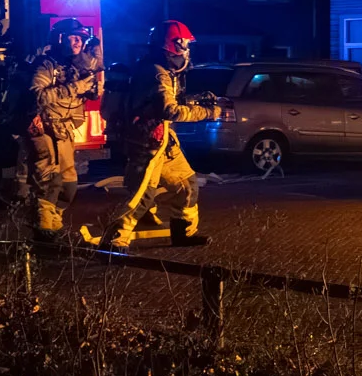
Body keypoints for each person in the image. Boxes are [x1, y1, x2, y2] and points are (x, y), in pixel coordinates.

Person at [105, 20, 226, 249]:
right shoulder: (157, 73)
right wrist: (208, 112)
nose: (187, 50)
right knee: (142, 196)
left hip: (163, 142)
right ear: (174, 45)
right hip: (147, 143)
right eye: (185, 44)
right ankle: (113, 240)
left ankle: (183, 233)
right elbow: (169, 110)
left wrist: (195, 99)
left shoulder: (158, 70)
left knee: (186, 185)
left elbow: (165, 101)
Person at [17, 17, 102, 244]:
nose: (78, 42)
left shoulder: (75, 66)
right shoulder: (46, 65)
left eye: (81, 38)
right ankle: (44, 231)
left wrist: (91, 85)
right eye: (73, 37)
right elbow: (37, 96)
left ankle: (54, 223)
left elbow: (92, 93)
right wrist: (77, 87)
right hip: (44, 129)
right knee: (48, 181)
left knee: (69, 185)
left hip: (64, 130)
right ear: (60, 38)